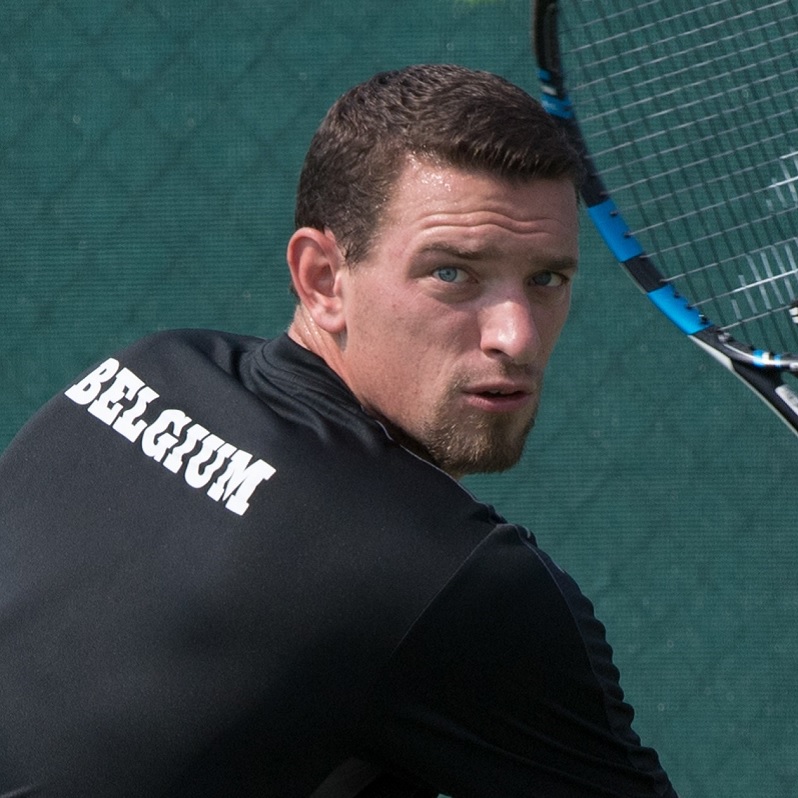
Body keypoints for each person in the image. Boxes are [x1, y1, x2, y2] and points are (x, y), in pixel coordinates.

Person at [0, 64, 678, 797]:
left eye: (547, 280)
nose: (514, 336)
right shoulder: (451, 578)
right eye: (453, 274)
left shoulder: (147, 368)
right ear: (322, 278)